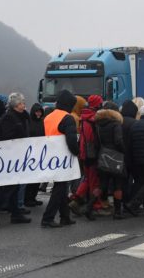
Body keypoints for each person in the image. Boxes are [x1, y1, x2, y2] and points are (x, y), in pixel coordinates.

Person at [0, 92, 32, 224]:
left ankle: (15, 213)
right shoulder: (9, 118)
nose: (24, 105)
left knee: (15, 186)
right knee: (9, 187)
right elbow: (6, 136)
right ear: (16, 105)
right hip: (11, 156)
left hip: (19, 155)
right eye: (22, 103)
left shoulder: (23, 117)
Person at [41, 90, 79, 228]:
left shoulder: (48, 117)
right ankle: (47, 218)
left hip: (50, 155)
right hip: (63, 157)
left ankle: (65, 216)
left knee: (61, 187)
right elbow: (71, 140)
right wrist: (77, 152)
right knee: (60, 188)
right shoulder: (67, 118)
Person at [69, 95, 103, 220]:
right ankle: (96, 205)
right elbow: (91, 139)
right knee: (95, 181)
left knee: (87, 179)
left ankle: (75, 199)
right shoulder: (92, 119)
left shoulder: (83, 117)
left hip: (84, 153)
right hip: (91, 154)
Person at [94, 102, 127, 219]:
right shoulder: (116, 124)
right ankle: (118, 212)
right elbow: (118, 141)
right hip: (116, 156)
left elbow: (96, 143)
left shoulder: (98, 125)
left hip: (103, 155)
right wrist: (124, 151)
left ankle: (90, 206)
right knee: (118, 185)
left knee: (102, 185)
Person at [24, 103, 45, 207]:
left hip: (40, 152)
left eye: (40, 111)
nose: (38, 113)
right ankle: (27, 198)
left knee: (38, 178)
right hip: (31, 153)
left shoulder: (42, 122)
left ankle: (33, 197)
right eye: (37, 111)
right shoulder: (29, 122)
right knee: (30, 178)